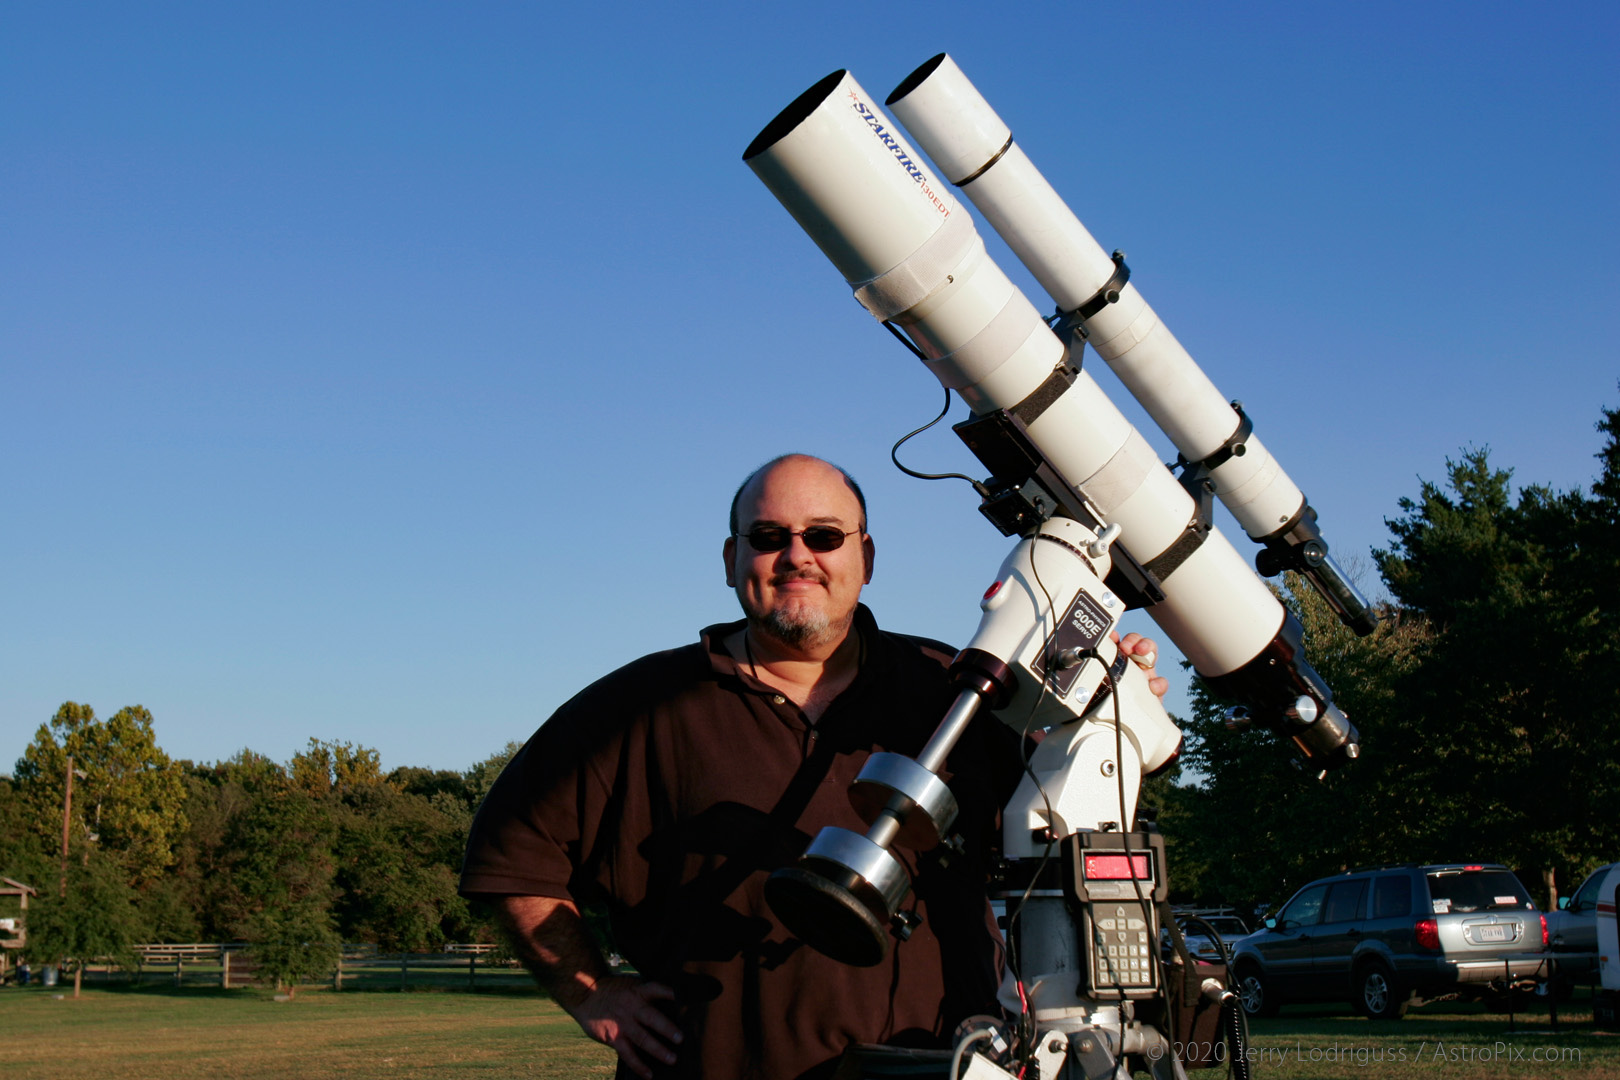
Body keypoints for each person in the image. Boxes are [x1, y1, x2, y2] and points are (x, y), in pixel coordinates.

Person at [459, 454, 1166, 1080]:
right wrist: (591, 991)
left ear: (866, 556)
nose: (798, 556)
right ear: (732, 557)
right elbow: (512, 856)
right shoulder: (639, 706)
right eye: (769, 538)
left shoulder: (956, 686)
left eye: (824, 536)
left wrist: (1107, 714)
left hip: (942, 1063)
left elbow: (1070, 816)